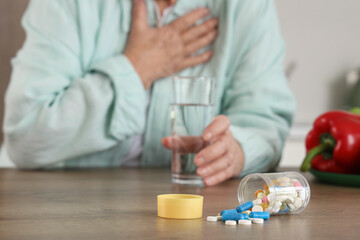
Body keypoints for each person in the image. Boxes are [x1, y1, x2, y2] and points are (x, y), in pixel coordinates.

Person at [2, 0, 295, 186]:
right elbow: (25, 136)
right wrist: (137, 68)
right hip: (73, 211)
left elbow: (266, 124)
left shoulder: (248, 7)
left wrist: (237, 152)